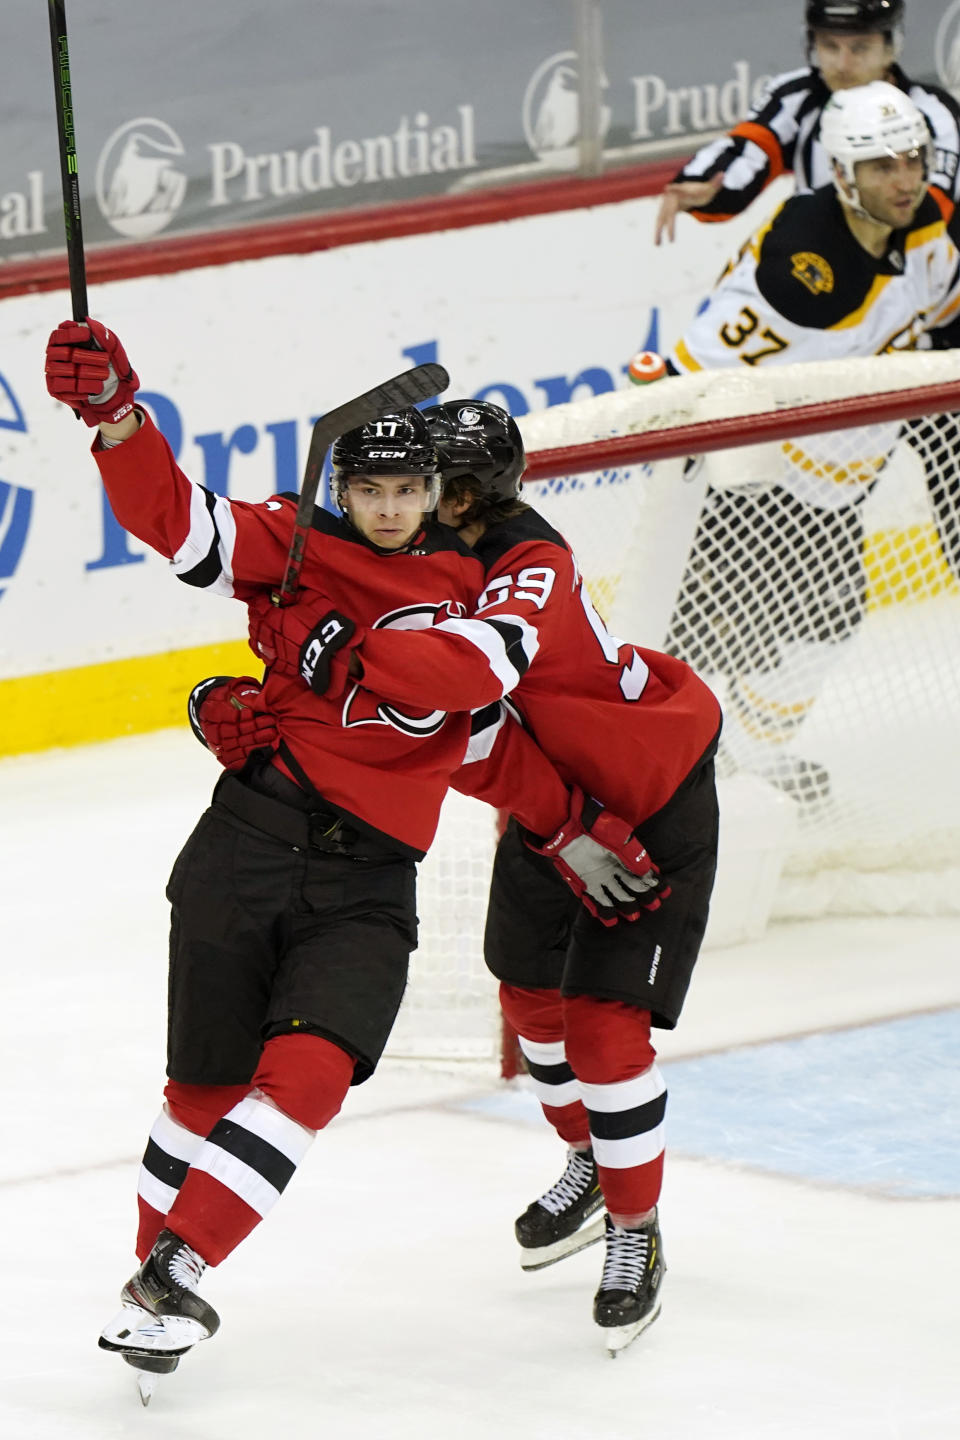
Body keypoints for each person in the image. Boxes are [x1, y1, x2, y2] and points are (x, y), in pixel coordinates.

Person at [42, 322, 659, 1395]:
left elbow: (467, 707)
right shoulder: (290, 547)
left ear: (434, 492)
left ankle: (179, 1269)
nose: (388, 508)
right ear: (345, 489)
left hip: (366, 885)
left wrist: (334, 650)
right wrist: (118, 419)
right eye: (369, 491)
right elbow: (175, 520)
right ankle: (150, 1277)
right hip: (244, 845)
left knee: (312, 1074)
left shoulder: (483, 581)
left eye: (406, 490)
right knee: (199, 1093)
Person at [236, 398, 722, 1355]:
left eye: (442, 488)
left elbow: (457, 689)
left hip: (649, 794)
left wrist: (324, 639)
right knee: (530, 1001)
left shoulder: (526, 567)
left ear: (478, 496)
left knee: (603, 1031)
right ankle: (591, 1159)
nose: (423, 503)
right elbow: (446, 734)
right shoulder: (434, 559)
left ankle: (637, 1231)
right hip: (558, 804)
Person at [660, 80, 960, 799]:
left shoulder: (926, 231)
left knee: (822, 632)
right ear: (843, 175)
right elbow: (686, 371)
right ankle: (669, 778)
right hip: (758, 486)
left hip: (838, 483)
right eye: (883, 166)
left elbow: (944, 318)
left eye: (913, 160)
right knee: (700, 639)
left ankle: (744, 762)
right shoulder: (800, 273)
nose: (904, 179)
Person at [654, 0, 960, 246]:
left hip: (932, 288)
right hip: (835, 272)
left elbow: (932, 214)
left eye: (860, 48)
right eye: (830, 47)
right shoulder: (799, 97)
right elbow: (747, 150)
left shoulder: (931, 111)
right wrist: (708, 186)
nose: (843, 65)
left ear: (891, 47)